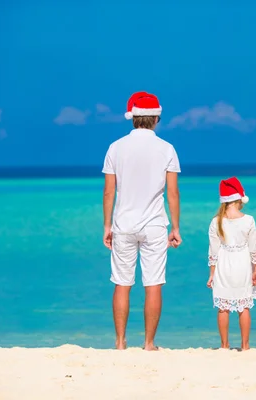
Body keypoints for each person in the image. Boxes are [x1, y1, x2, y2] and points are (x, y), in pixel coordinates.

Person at [102, 91, 182, 351]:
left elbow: (109, 191)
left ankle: (120, 341)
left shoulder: (116, 147)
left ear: (132, 118)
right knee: (153, 283)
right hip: (155, 225)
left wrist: (107, 225)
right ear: (156, 119)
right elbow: (172, 192)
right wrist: (176, 226)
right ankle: (149, 343)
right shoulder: (166, 149)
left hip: (123, 224)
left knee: (122, 283)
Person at [207, 177, 256, 350]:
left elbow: (213, 252)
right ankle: (245, 346)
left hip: (224, 264)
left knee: (223, 307)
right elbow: (254, 249)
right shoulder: (249, 220)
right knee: (243, 306)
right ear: (239, 199)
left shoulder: (216, 221)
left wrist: (211, 274)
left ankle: (224, 345)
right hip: (242, 264)